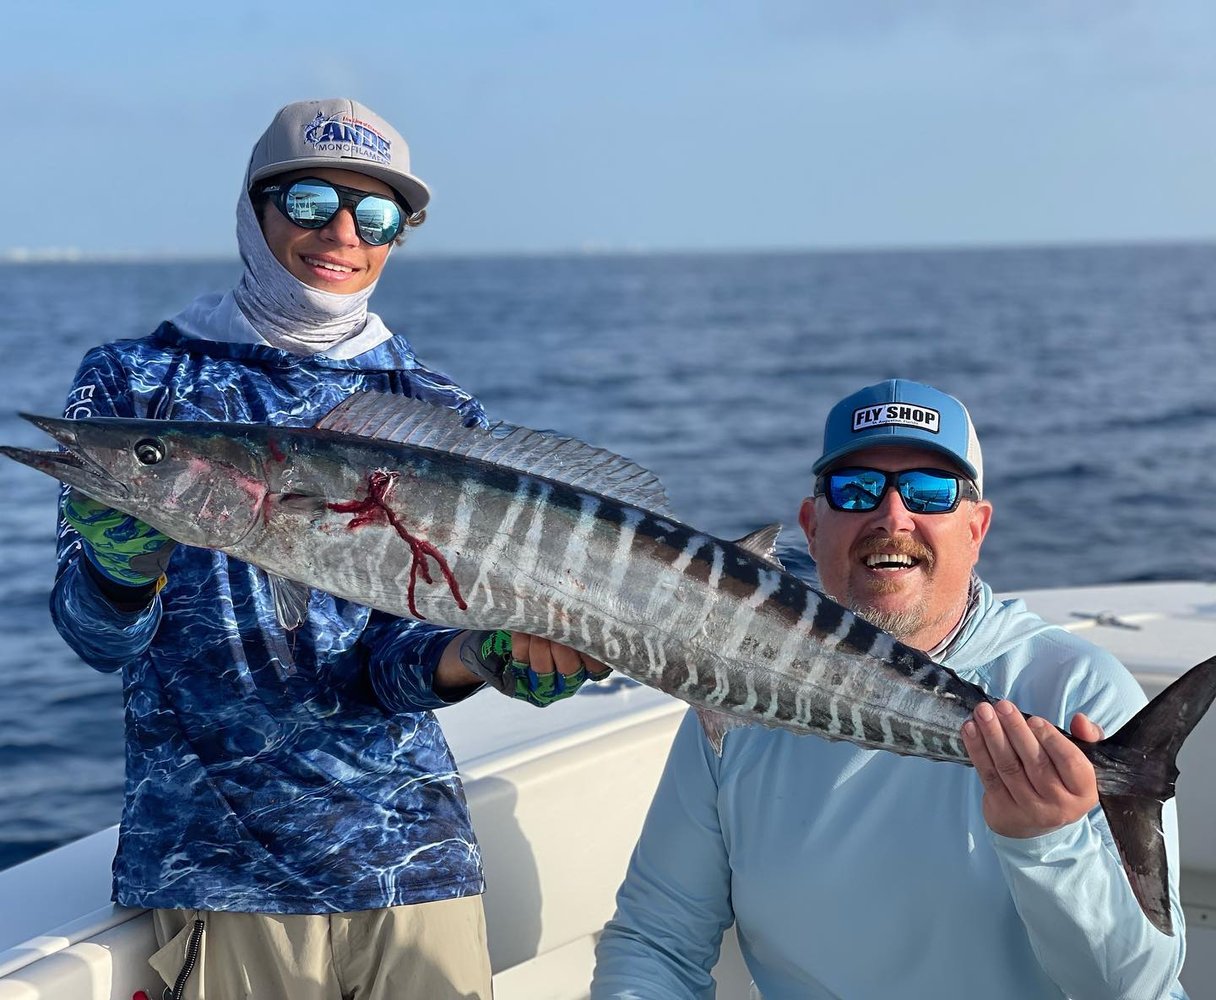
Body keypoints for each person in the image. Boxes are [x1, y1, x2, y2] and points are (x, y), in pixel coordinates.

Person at [50, 97, 607, 1000]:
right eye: (311, 202)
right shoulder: (134, 385)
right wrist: (123, 572)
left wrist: (482, 655)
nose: (342, 232)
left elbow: (393, 664)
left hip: (415, 864)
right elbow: (94, 640)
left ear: (397, 238)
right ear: (255, 207)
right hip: (223, 874)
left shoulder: (431, 403)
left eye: (377, 214)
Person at [591, 379, 1188, 999]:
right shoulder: (737, 695)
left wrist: (1049, 843)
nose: (893, 516)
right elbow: (656, 941)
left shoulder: (1075, 689)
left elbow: (1136, 988)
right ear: (810, 526)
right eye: (857, 490)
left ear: (976, 528)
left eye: (931, 492)